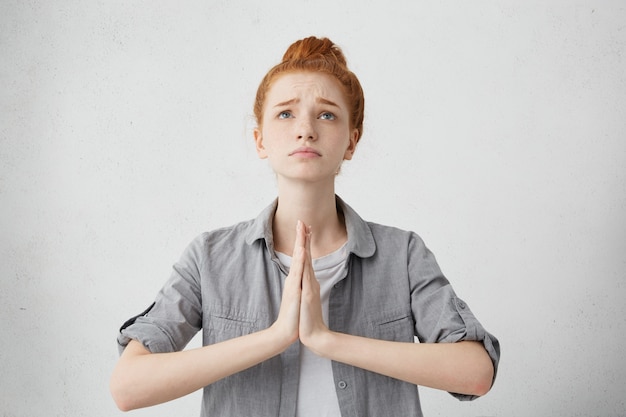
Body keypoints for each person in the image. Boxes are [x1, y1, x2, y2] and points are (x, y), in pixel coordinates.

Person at [110, 36, 500, 417]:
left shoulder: (403, 254)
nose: (306, 129)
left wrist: (326, 340)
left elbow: (476, 372)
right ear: (260, 140)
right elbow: (128, 387)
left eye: (326, 114)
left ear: (351, 141)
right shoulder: (209, 258)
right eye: (286, 113)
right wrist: (275, 337)